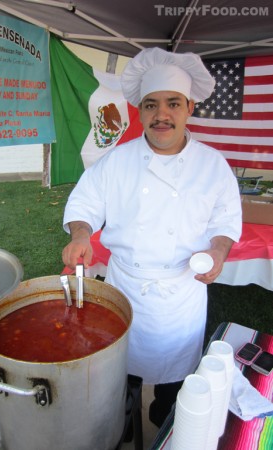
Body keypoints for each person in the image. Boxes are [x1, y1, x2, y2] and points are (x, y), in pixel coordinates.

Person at [62, 47, 242, 428]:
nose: (162, 115)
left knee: (175, 380)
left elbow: (226, 221)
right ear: (140, 111)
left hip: (182, 292)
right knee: (119, 369)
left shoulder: (214, 166)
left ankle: (166, 421)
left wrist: (218, 250)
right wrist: (81, 234)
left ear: (189, 107)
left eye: (173, 104)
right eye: (151, 105)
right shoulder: (117, 160)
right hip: (125, 285)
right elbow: (86, 202)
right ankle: (123, 415)